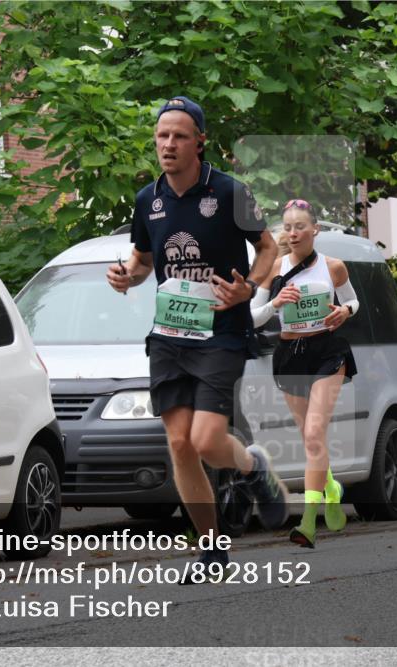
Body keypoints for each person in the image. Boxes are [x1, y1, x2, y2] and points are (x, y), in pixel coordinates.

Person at [106, 96, 286, 580]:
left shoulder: (228, 192)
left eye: (179, 136)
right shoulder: (149, 200)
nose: (168, 144)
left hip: (222, 331)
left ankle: (252, 467)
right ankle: (211, 551)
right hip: (168, 335)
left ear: (199, 141)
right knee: (180, 445)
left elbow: (268, 247)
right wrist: (127, 275)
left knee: (207, 441)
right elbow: (144, 261)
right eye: (162, 135)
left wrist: (250, 286)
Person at [250, 199, 359, 548]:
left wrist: (343, 311)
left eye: (300, 226)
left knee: (314, 433)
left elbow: (353, 302)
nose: (293, 232)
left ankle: (309, 522)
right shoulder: (274, 268)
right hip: (289, 355)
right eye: (288, 227)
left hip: (327, 351)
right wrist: (275, 303)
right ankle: (331, 488)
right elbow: (252, 317)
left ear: (315, 230)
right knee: (309, 438)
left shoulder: (334, 267)